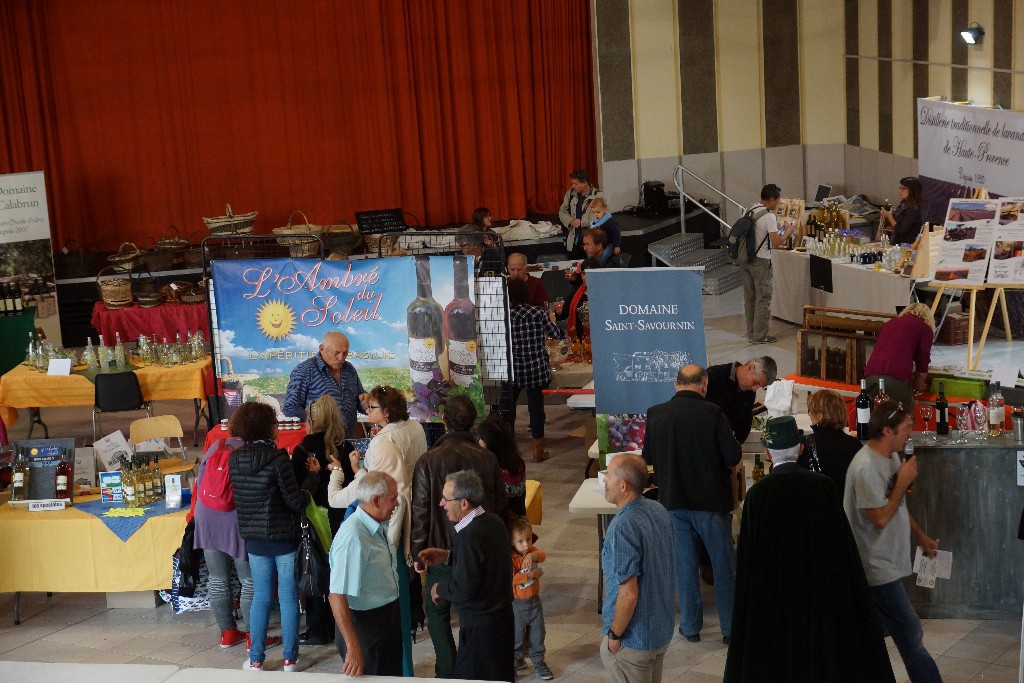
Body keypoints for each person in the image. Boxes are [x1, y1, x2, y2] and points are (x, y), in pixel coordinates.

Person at [725, 417, 896, 682]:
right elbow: (843, 550)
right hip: (820, 595)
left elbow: (749, 559)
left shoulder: (758, 496)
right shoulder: (823, 487)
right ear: (801, 448)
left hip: (775, 600)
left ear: (768, 453)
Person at [326, 384, 427, 672]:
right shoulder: (416, 429)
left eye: (370, 408)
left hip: (392, 530)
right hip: (407, 524)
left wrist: (339, 474)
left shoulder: (382, 444)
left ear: (385, 411)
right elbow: (338, 594)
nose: (366, 412)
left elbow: (349, 495)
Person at [844, 400, 942, 683]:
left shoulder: (892, 457)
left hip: (888, 561)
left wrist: (921, 537)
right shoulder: (865, 468)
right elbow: (879, 518)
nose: (910, 434)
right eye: (906, 428)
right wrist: (902, 483)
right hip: (874, 567)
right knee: (910, 633)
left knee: (872, 637)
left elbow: (896, 507)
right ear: (887, 430)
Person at [642, 365, 741, 644]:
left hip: (673, 501)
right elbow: (732, 456)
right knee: (723, 567)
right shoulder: (714, 413)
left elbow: (647, 455)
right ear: (704, 385)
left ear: (676, 384)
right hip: (710, 503)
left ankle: (690, 626)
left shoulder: (656, 414)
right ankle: (730, 629)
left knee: (685, 567)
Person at [411, 396, 509, 678]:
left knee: (438, 617)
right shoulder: (487, 458)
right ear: (472, 422)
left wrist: (419, 554)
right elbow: (501, 504)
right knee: (473, 610)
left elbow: (420, 512)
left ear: (443, 422)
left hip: (439, 548)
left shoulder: (429, 461)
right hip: (481, 547)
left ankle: (448, 670)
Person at [229, 402, 307, 672]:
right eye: (275, 422)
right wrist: (312, 480)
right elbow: (295, 502)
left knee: (260, 597)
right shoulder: (278, 459)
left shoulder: (234, 458)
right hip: (284, 537)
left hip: (254, 540)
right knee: (287, 597)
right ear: (267, 427)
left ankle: (256, 659)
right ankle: (289, 658)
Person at [419, 470, 515, 683]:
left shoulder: (468, 535)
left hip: (480, 629)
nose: (442, 503)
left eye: (446, 498)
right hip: (502, 621)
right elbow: (483, 563)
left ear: (464, 503)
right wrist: (446, 556)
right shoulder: (494, 522)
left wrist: (438, 589)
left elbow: (465, 588)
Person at [600, 454, 675, 683]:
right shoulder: (658, 510)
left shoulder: (622, 526)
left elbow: (629, 594)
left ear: (623, 485)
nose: (604, 481)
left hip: (634, 640)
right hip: (660, 630)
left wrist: (614, 636)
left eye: (608, 476)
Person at [291, 395, 353, 646]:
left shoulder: (303, 450)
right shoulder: (346, 448)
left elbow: (296, 490)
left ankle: (318, 628)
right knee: (340, 574)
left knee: (315, 572)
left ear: (312, 420)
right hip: (342, 518)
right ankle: (342, 626)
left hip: (315, 522)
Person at [328, 471, 403, 677]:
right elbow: (336, 595)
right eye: (393, 498)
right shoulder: (353, 537)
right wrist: (353, 646)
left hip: (385, 617)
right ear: (377, 500)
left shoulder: (376, 524)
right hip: (364, 626)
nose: (397, 503)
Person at [192, 433, 260, 652]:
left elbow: (200, 481)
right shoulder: (253, 452)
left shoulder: (217, 445)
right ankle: (252, 638)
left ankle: (228, 634)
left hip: (206, 514)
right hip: (236, 517)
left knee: (217, 578)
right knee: (248, 579)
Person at [507, 278, 565, 462]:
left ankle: (508, 450)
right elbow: (557, 335)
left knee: (508, 409)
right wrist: (553, 320)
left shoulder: (505, 317)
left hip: (513, 370)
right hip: (536, 368)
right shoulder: (538, 313)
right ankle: (537, 450)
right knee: (536, 410)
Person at [283, 331, 368, 435]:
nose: (341, 358)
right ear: (322, 349)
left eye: (345, 353)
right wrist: (316, 421)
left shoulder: (349, 369)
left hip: (349, 442)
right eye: (336, 353)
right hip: (320, 443)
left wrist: (366, 404)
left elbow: (360, 401)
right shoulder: (304, 371)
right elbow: (290, 408)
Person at [741, 183, 795, 344]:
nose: (778, 204)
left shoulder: (750, 209)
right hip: (761, 261)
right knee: (763, 298)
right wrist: (788, 232)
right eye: (777, 201)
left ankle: (751, 333)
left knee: (749, 298)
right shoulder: (768, 216)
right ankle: (761, 336)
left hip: (745, 260)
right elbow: (777, 242)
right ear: (771, 199)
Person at [863, 303, 935, 410]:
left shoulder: (889, 323)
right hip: (896, 379)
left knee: (874, 420)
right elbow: (922, 364)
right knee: (903, 420)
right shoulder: (925, 329)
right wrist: (920, 387)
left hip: (870, 377)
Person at [509, 516, 552, 681]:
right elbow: (510, 580)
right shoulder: (511, 558)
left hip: (535, 603)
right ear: (512, 542)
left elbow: (543, 555)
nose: (526, 544)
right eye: (520, 541)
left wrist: (532, 557)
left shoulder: (532, 552)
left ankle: (539, 662)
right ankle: (513, 663)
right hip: (517, 605)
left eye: (528, 539)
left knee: (538, 633)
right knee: (516, 636)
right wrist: (529, 576)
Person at [798, 388, 862, 493]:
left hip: (818, 507)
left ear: (819, 415)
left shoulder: (804, 445)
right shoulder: (854, 444)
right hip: (846, 507)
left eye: (810, 410)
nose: (809, 414)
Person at [706, 356, 777, 443]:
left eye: (759, 386)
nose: (754, 389)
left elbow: (745, 421)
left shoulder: (749, 393)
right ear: (750, 368)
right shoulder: (713, 376)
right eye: (756, 382)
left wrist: (737, 444)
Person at [478, 414, 527, 518]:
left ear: (491, 443)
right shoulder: (517, 463)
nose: (478, 442)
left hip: (500, 525)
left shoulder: (491, 470)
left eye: (481, 438)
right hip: (518, 520)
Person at [559, 169, 602, 254]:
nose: (573, 186)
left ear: (585, 183)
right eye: (573, 183)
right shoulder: (570, 193)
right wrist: (570, 220)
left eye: (576, 184)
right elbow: (562, 211)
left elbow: (602, 217)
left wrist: (582, 223)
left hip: (591, 242)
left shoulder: (598, 196)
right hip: (574, 240)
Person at [878, 176, 924, 245]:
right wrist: (891, 213)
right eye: (900, 188)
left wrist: (889, 217)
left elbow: (901, 231)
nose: (900, 191)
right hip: (897, 242)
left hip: (906, 246)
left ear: (912, 190)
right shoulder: (903, 203)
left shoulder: (913, 209)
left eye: (904, 189)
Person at [566, 258, 599, 341]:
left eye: (588, 273)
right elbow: (563, 314)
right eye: (583, 274)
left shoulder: (606, 293)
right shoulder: (578, 292)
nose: (584, 277)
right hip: (581, 340)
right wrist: (557, 312)